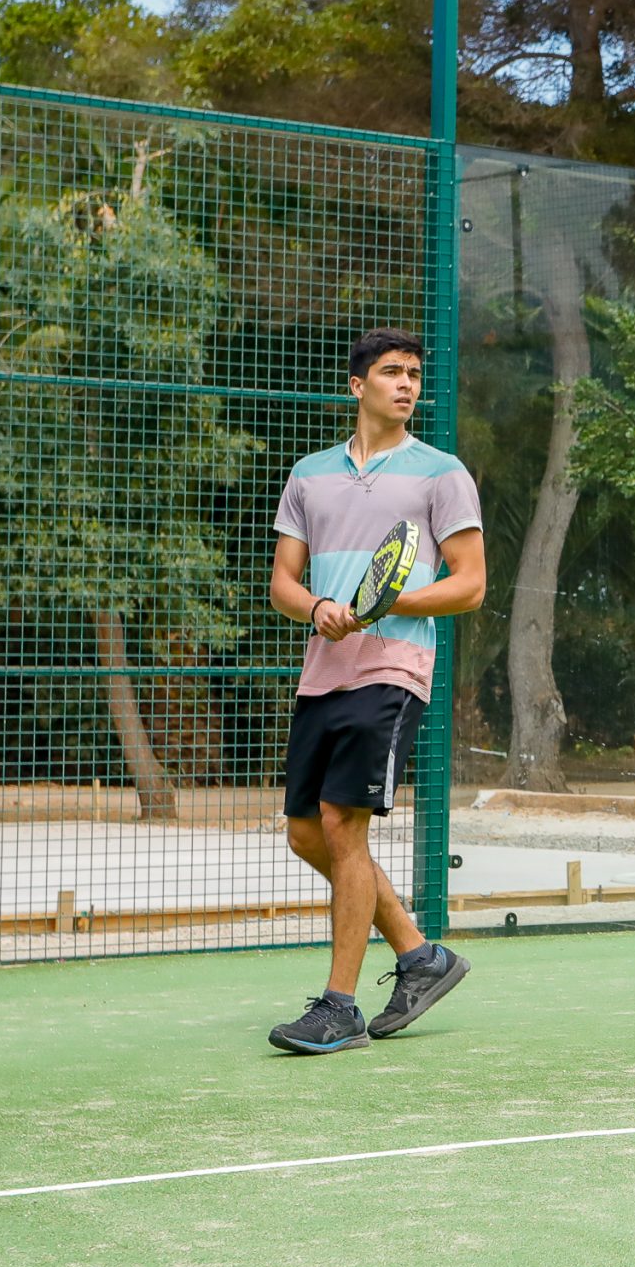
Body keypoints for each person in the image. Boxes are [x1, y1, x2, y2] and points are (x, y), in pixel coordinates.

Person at [265, 328, 485, 1054]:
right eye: (391, 372)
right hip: (321, 673)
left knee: (342, 823)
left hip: (393, 668)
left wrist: (396, 601)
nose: (407, 383)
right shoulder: (309, 474)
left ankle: (340, 1007)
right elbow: (283, 584)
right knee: (306, 832)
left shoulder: (441, 473)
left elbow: (470, 584)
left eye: (415, 373)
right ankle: (421, 955)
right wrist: (316, 608)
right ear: (356, 385)